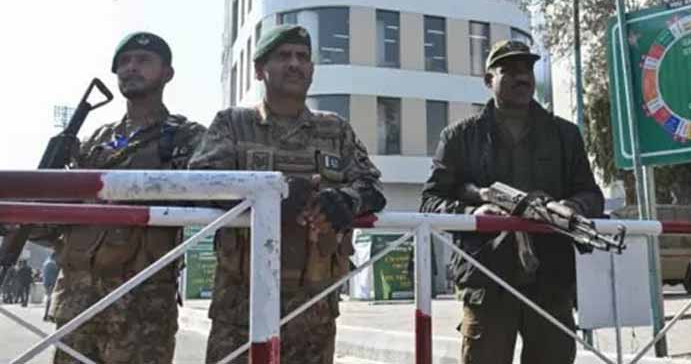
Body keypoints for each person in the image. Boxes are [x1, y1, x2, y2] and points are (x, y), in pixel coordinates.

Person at [188, 24, 387, 364]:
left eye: (303, 57)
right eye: (283, 56)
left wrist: (345, 201)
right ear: (259, 70)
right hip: (241, 310)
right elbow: (200, 181)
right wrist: (269, 196)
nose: (295, 64)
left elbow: (372, 186)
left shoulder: (335, 129)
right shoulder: (233, 123)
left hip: (314, 312)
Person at [421, 40, 605, 364]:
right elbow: (431, 202)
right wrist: (473, 213)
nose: (522, 77)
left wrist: (572, 207)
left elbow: (591, 195)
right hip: (486, 278)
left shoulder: (564, 134)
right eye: (510, 70)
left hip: (551, 279)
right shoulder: (459, 137)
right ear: (488, 79)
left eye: (528, 69)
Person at [50, 32, 205, 364]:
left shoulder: (186, 138)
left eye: (143, 60)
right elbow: (59, 220)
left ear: (167, 74)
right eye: (124, 62)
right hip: (77, 305)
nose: (131, 67)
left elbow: (211, 198)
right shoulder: (95, 141)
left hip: (141, 310)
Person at [42, 252, 59, 321]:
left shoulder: (46, 262)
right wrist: (53, 284)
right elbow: (53, 276)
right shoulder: (52, 264)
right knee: (51, 300)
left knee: (49, 299)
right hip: (51, 284)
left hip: (47, 284)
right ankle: (48, 315)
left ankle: (47, 315)